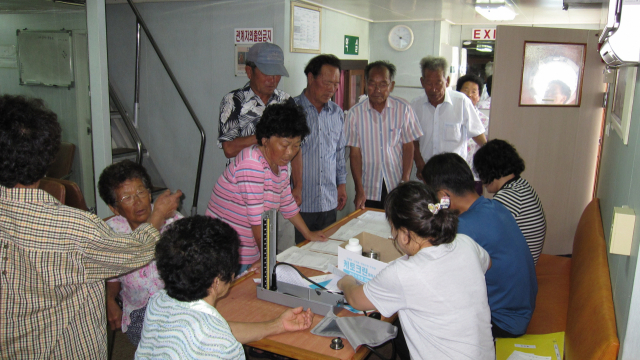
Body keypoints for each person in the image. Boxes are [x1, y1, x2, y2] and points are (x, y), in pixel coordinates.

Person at [0, 94, 181, 359]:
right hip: (61, 349)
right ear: (48, 155)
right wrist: (159, 215)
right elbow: (134, 252)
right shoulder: (72, 228)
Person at [338, 182, 495, 360]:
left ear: (405, 234)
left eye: (393, 231)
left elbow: (356, 300)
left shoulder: (404, 273)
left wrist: (346, 281)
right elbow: (487, 263)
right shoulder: (465, 242)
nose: (393, 237)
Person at [135, 215, 314, 359]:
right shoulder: (222, 347)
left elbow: (215, 330)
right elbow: (216, 337)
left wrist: (276, 326)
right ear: (216, 282)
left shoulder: (158, 302)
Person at [421, 153, 537, 338]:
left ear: (444, 196)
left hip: (503, 322)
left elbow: (435, 274)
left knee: (417, 318)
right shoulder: (495, 207)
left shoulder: (464, 228)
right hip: (521, 310)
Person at [206, 102, 326, 275]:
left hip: (248, 249)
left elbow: (286, 202)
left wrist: (307, 233)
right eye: (285, 145)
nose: (290, 152)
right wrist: (267, 257)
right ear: (265, 140)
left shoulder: (280, 164)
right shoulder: (252, 163)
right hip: (225, 251)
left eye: (296, 145)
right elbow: (257, 219)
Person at [98, 160, 184, 345]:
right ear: (114, 208)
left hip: (178, 303)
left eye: (141, 192)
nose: (138, 202)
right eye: (127, 198)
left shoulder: (174, 222)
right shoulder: (112, 232)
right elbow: (112, 275)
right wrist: (110, 299)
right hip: (139, 311)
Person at [344, 60, 424, 209]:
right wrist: (359, 188)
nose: (377, 89)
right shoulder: (355, 113)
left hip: (396, 184)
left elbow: (408, 146)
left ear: (391, 86)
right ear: (366, 84)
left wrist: (405, 179)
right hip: (368, 187)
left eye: (383, 84)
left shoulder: (404, 109)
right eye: (372, 83)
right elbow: (355, 154)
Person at [292, 54, 347, 244]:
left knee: (326, 254)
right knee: (299, 256)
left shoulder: (336, 113)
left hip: (328, 201)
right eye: (326, 83)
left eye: (335, 84)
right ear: (310, 78)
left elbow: (339, 152)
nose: (331, 90)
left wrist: (342, 184)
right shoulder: (292, 109)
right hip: (299, 205)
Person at [412, 56, 487, 180]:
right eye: (429, 84)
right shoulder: (415, 106)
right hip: (425, 173)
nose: (434, 89)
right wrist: (420, 164)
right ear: (422, 82)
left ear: (447, 81)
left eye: (438, 83)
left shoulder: (461, 102)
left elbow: (479, 136)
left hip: (454, 176)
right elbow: (412, 140)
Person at [473, 139, 547, 265]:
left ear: (488, 170)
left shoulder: (507, 198)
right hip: (523, 262)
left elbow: (480, 234)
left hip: (516, 269)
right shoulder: (521, 186)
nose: (481, 180)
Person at [218, 42, 295, 160]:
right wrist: (267, 136)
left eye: (277, 73)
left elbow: (296, 149)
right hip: (245, 177)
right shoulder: (233, 101)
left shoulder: (286, 101)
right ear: (249, 71)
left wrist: (297, 179)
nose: (272, 79)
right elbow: (229, 149)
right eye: (266, 73)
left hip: (279, 177)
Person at [456, 74, 490, 194]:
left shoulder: (485, 121)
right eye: (465, 90)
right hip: (453, 174)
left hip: (474, 176)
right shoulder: (451, 116)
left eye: (474, 91)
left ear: (479, 96)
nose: (469, 95)